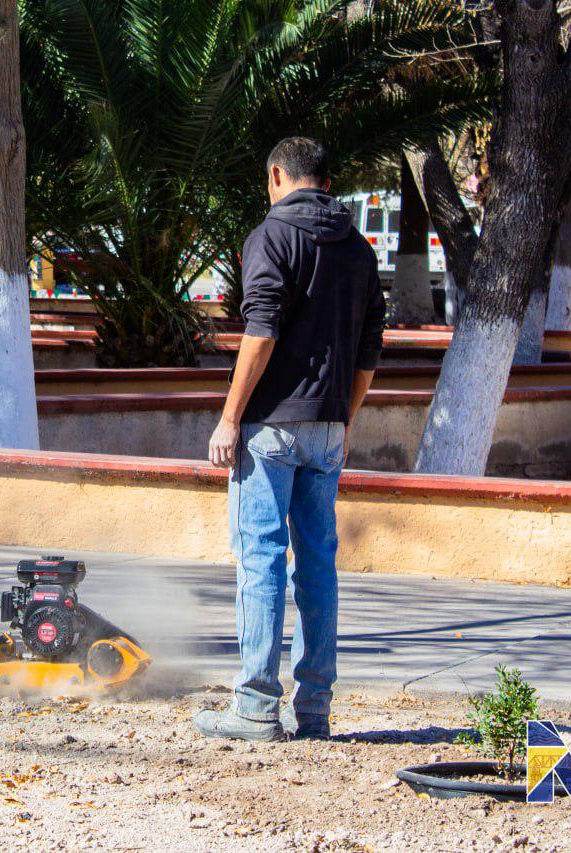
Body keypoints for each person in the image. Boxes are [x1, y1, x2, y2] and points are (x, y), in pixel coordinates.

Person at [196, 137, 385, 741]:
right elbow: (370, 350)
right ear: (325, 180)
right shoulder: (358, 248)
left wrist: (230, 417)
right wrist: (344, 420)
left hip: (272, 426)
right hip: (329, 427)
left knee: (261, 561)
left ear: (277, 174)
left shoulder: (271, 236)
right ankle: (315, 711)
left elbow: (262, 329)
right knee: (319, 567)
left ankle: (254, 706)